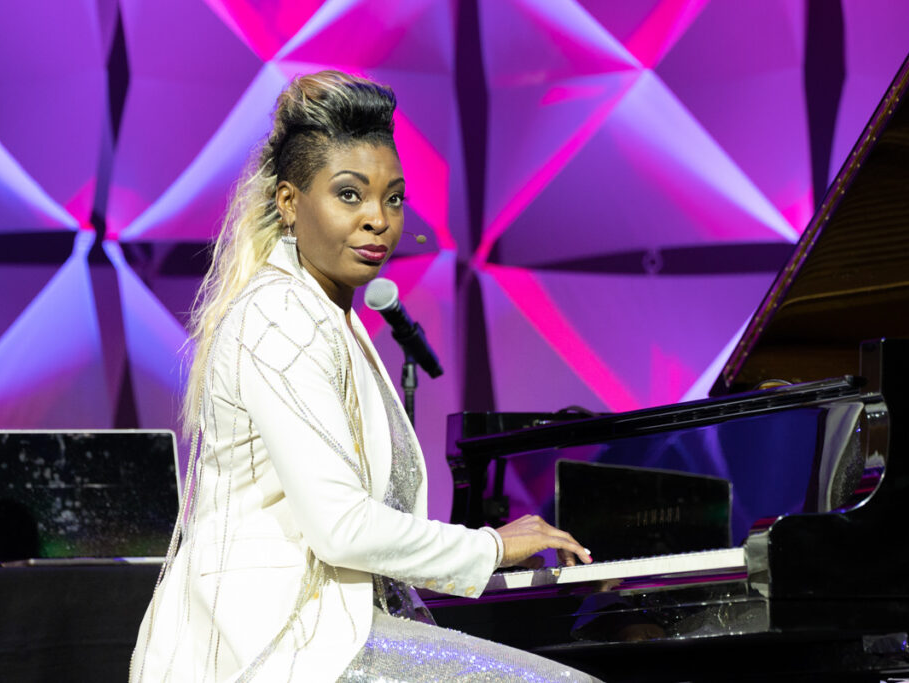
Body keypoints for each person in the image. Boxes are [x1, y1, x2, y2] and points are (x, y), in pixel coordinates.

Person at [130, 70, 600, 682]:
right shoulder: (278, 314)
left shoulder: (332, 318)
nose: (379, 218)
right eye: (349, 194)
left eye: (394, 197)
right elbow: (343, 528)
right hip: (282, 650)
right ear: (290, 202)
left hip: (337, 632)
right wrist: (490, 546)